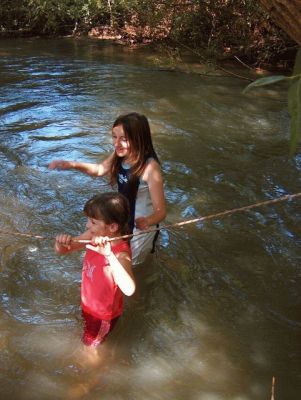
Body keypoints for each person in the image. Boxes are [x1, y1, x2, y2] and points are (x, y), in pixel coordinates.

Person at [49, 112, 166, 265]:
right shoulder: (120, 154)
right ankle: (68, 246)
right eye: (114, 137)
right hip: (120, 217)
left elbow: (161, 212)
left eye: (123, 139)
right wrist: (71, 164)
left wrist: (147, 221)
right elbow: (99, 170)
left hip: (141, 227)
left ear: (138, 139)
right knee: (104, 251)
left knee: (131, 267)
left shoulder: (150, 167)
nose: (116, 143)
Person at [55, 192, 135, 347]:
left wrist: (109, 255)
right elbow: (63, 250)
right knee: (87, 339)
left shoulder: (120, 253)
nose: (87, 225)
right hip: (89, 304)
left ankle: (95, 369)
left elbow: (129, 289)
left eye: (93, 222)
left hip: (102, 315)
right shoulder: (92, 235)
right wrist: (61, 243)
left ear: (112, 227)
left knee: (90, 350)